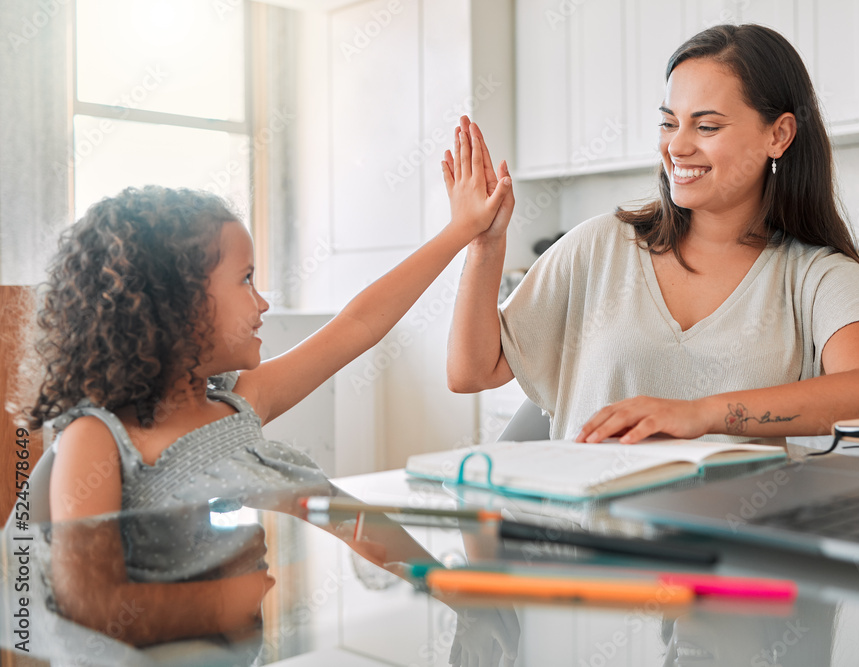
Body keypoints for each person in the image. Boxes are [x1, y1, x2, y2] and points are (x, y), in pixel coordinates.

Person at [24, 125, 511, 645]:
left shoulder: (239, 404)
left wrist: (461, 233)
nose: (263, 302)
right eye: (246, 279)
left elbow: (359, 326)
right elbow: (89, 604)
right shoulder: (98, 440)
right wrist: (220, 603)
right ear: (178, 304)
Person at [446, 23, 859, 445]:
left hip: (732, 531)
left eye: (706, 126)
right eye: (669, 123)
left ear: (779, 135)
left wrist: (702, 414)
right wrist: (485, 247)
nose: (678, 146)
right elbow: (471, 372)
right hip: (587, 532)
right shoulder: (600, 246)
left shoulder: (817, 276)